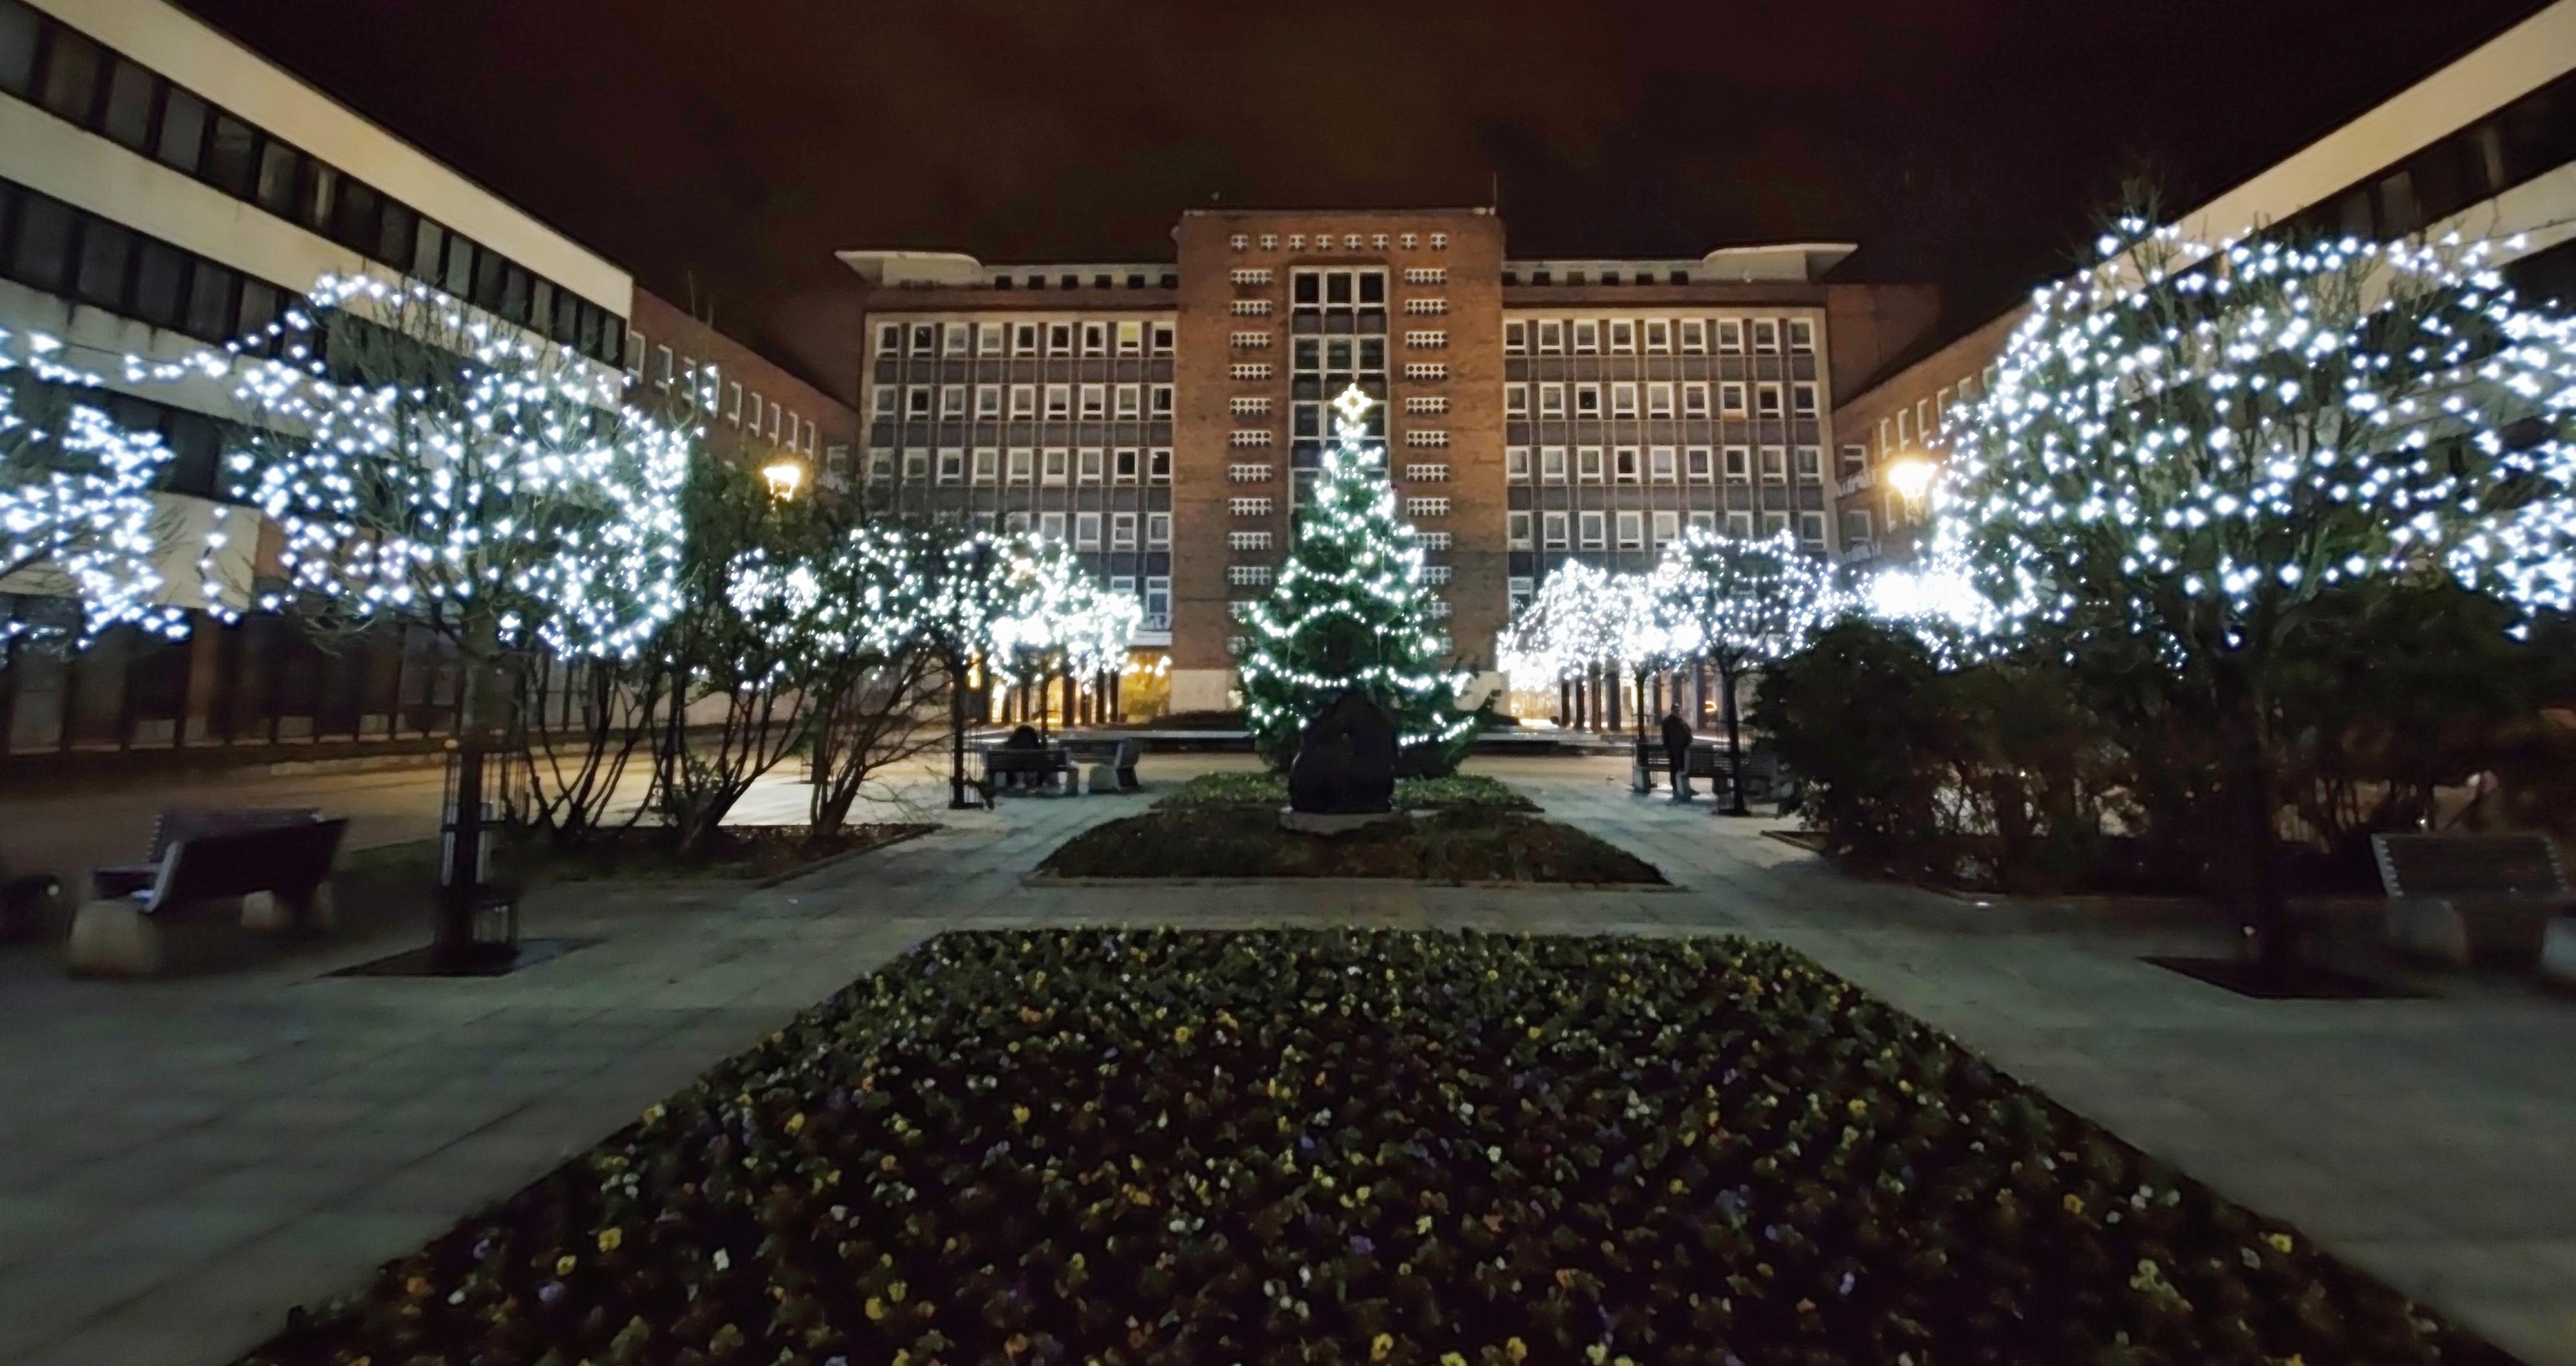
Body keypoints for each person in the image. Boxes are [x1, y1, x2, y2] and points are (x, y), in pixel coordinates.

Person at [1660, 707, 1696, 801]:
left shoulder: (1667, 722)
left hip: (1673, 751)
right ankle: (1681, 786)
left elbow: (1665, 737)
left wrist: (1667, 747)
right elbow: (1688, 736)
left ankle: (1676, 786)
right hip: (1680, 751)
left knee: (1674, 767)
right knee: (1680, 767)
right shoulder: (1680, 723)